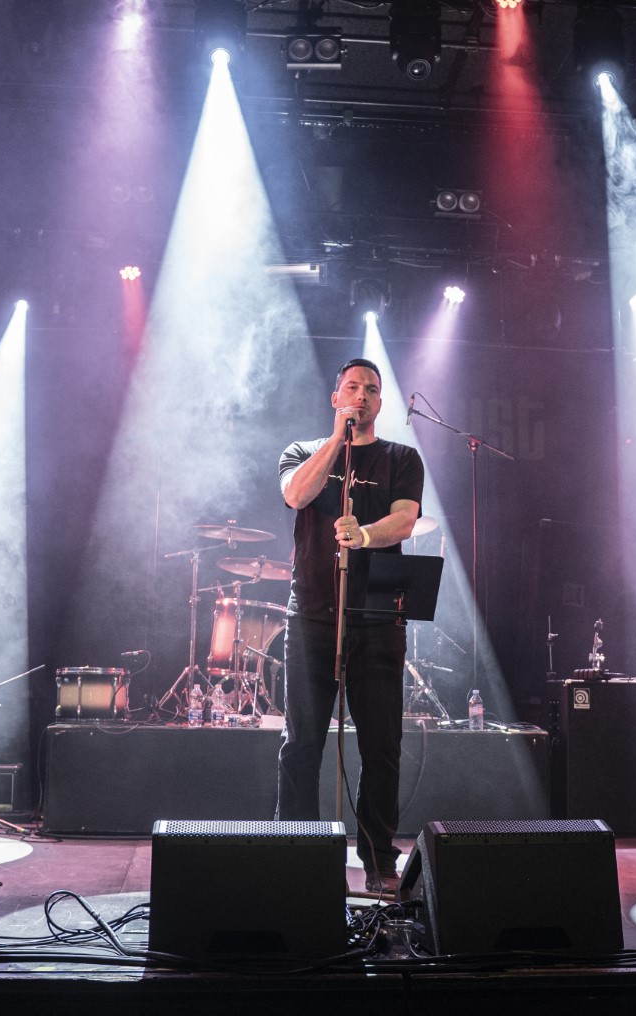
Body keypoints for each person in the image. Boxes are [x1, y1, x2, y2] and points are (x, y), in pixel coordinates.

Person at [275, 358, 423, 894]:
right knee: (302, 742)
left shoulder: (401, 458)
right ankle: (298, 854)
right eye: (353, 388)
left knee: (382, 745)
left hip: (377, 617)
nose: (362, 395)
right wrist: (337, 441)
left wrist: (363, 535)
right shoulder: (302, 451)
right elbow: (297, 495)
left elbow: (405, 519)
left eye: (372, 390)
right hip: (312, 615)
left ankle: (378, 860)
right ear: (336, 398)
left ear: (381, 402)